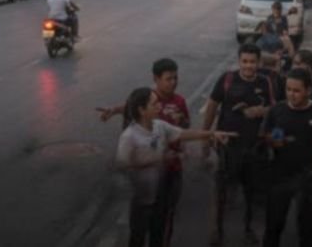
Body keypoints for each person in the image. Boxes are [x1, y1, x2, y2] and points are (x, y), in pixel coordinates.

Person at [116, 87, 235, 247]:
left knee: (158, 235)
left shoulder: (159, 126)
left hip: (160, 195)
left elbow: (184, 134)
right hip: (141, 201)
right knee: (137, 238)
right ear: (142, 110)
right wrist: (158, 159)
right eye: (154, 104)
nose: (160, 106)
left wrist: (212, 134)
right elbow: (122, 164)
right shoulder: (129, 136)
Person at [99, 59, 190, 246]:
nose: (173, 82)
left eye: (175, 78)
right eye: (168, 79)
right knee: (140, 224)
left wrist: (181, 121)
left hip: (171, 170)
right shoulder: (147, 99)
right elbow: (131, 107)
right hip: (147, 176)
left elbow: (186, 126)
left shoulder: (179, 101)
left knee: (164, 221)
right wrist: (114, 110)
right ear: (156, 79)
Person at [202, 43, 275, 246]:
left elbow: (275, 109)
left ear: (259, 62)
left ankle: (248, 229)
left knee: (251, 193)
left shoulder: (266, 82)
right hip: (228, 148)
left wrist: (262, 112)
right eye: (245, 61)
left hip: (254, 149)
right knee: (221, 191)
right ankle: (216, 230)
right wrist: (206, 137)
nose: (248, 66)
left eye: (252, 62)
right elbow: (212, 107)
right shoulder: (227, 80)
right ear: (239, 61)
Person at [262, 69, 312, 247]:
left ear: (308, 90)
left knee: (307, 226)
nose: (291, 95)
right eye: (288, 90)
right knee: (273, 224)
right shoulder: (277, 110)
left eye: (296, 90)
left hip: (306, 176)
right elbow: (268, 134)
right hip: (280, 175)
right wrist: (273, 141)